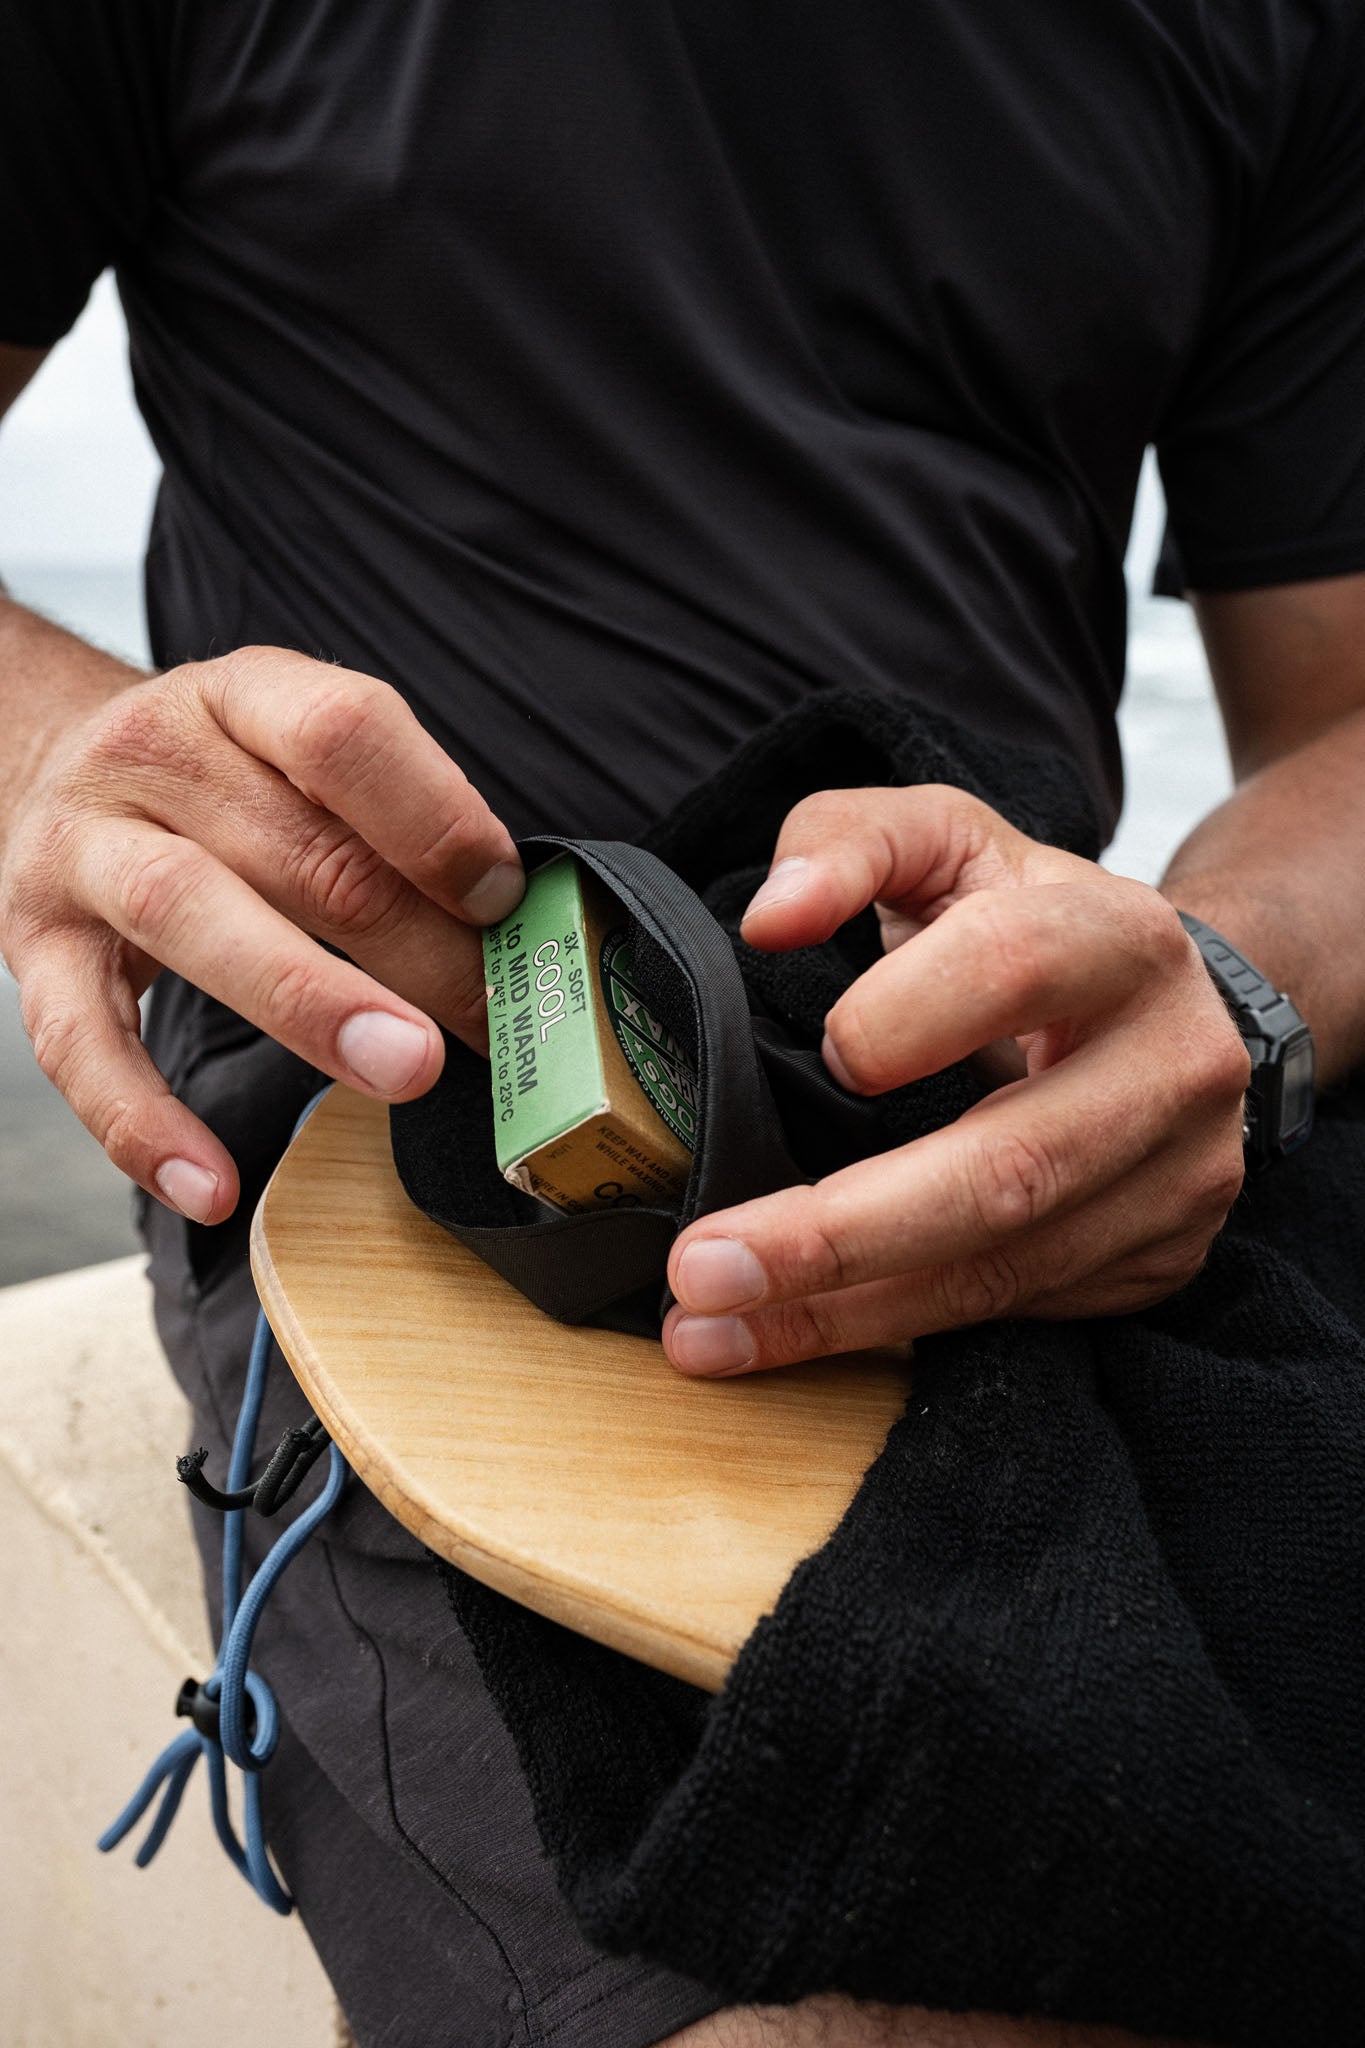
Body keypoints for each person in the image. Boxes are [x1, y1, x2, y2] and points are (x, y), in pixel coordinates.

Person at [1, 4, 1362, 2044]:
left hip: (1025, 1080)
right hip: (409, 1132)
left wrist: (1223, 987)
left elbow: (1339, 718)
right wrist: (66, 757)